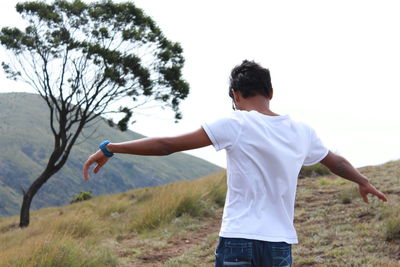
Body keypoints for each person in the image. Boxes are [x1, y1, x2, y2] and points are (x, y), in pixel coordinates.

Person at [83, 60, 388, 267]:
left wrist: (110, 148)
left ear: (234, 94)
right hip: (279, 244)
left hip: (239, 238)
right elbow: (336, 162)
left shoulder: (236, 122)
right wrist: (362, 181)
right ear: (270, 92)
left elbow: (167, 145)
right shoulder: (302, 132)